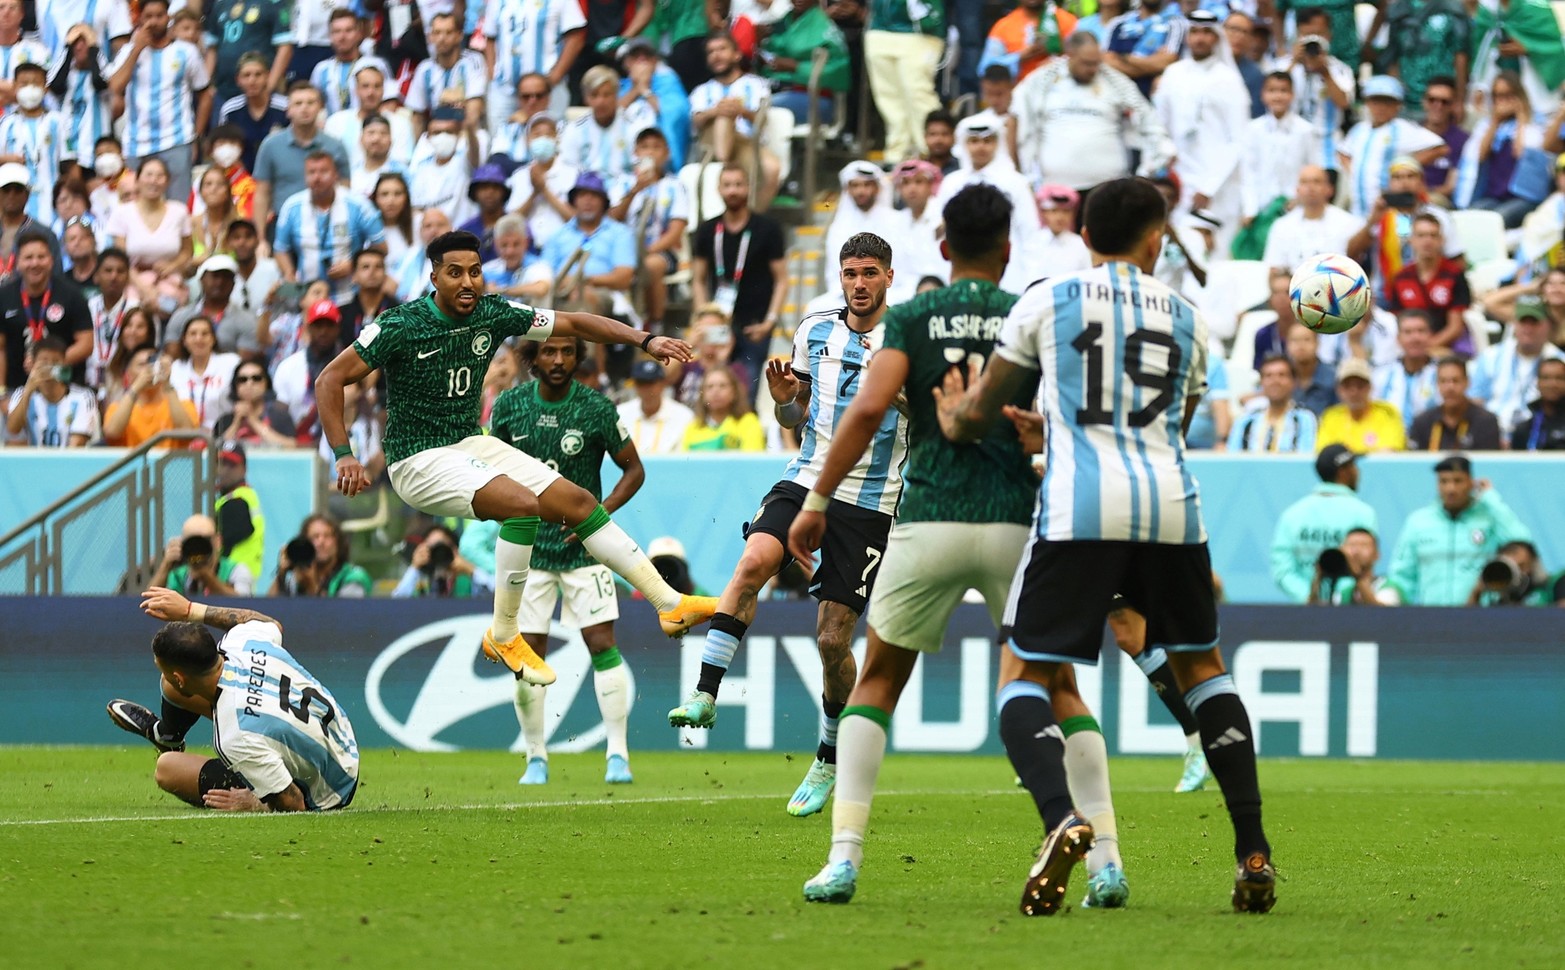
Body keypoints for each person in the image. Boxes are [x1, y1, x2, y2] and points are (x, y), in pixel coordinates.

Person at [929, 176, 1275, 913]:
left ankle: (1062, 819)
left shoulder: (1048, 298)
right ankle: (1251, 848)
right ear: (1155, 240)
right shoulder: (1187, 316)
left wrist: (958, 418)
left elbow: (982, 408)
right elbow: (1168, 425)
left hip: (1078, 507)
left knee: (1025, 672)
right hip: (1172, 507)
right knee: (1204, 668)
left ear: (1082, 236)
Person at [782, 184, 1117, 911]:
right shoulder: (1029, 311)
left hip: (926, 517)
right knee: (1057, 688)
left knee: (875, 682)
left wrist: (814, 502)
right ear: (1006, 248)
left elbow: (869, 408)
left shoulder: (909, 317)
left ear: (940, 248)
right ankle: (1107, 866)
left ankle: (841, 861)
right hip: (1010, 522)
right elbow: (1065, 416)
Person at [317, 229, 717, 682]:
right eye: (454, 273)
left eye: (474, 271)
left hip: (469, 441)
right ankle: (504, 633)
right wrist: (344, 453)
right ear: (434, 277)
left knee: (579, 503)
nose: (467, 282)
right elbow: (329, 379)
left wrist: (645, 340)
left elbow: (578, 323)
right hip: (415, 459)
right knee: (522, 505)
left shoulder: (494, 313)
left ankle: (668, 604)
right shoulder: (400, 325)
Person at [670, 234, 908, 821]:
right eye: (850, 272)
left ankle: (828, 756)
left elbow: (935, 417)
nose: (858, 283)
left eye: (869, 273)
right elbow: (796, 416)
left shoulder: (909, 340)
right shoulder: (814, 326)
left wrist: (905, 400)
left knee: (832, 640)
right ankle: (704, 693)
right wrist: (782, 402)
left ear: (889, 278)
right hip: (806, 478)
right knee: (752, 563)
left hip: (872, 498)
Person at [488, 334, 644, 785]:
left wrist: (599, 514)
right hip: (529, 553)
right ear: (532, 357)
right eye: (548, 352)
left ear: (579, 356)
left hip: (584, 550)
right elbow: (486, 466)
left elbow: (634, 469)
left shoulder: (596, 408)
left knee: (601, 644)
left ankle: (618, 755)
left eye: (568, 352)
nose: (558, 360)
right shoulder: (509, 407)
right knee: (528, 654)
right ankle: (536, 757)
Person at [106, 588, 358, 812]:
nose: (164, 676)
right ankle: (166, 736)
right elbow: (270, 623)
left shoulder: (235, 736)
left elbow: (294, 803)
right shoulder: (241, 642)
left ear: (180, 678)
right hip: (343, 740)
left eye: (163, 670)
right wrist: (191, 610)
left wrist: (256, 803)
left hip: (330, 789)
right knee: (168, 690)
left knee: (167, 768)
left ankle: (167, 744)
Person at [1015, 33, 1173, 192]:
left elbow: (1148, 119)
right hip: (1055, 191)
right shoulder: (1043, 80)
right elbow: (1017, 116)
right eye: (1086, 63)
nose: (1093, 69)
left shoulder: (1116, 81)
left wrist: (1147, 170)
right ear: (1070, 55)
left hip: (1108, 188)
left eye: (1096, 63)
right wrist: (1025, 174)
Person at [1151, 10, 1251, 251]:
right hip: (1178, 178)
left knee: (1215, 251)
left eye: (1207, 32)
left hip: (1218, 182)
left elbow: (1238, 141)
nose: (1200, 38)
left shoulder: (1229, 79)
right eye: (1195, 32)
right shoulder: (1173, 74)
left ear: (1216, 38)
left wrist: (1208, 187)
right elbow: (1158, 124)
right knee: (1176, 249)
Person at [689, 165, 788, 387]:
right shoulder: (707, 230)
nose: (733, 191)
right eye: (727, 185)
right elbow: (698, 278)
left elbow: (782, 279)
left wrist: (769, 322)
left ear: (748, 187)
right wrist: (703, 318)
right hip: (719, 323)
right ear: (718, 189)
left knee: (747, 389)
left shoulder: (768, 228)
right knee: (715, 385)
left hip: (754, 324)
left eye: (738, 184)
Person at [1389, 455, 1531, 605]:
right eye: (1444, 481)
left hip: (1480, 615)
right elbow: (1401, 573)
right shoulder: (1418, 522)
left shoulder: (1488, 519)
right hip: (1430, 615)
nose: (1451, 489)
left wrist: (1491, 498)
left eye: (1458, 481)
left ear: (1471, 483)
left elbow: (1522, 543)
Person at [105, 0, 211, 201]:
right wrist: (136, 49)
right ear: (140, 20)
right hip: (137, 144)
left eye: (159, 16)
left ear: (168, 17)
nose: (153, 22)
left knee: (178, 206)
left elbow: (205, 95)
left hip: (177, 140)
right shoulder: (130, 51)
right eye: (148, 17)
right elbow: (115, 87)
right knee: (137, 208)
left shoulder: (186, 51)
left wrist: (196, 135)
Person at [933, 117, 1041, 294]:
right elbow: (939, 233)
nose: (981, 147)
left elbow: (1030, 234)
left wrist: (1030, 281)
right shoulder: (951, 183)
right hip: (957, 271)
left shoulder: (1016, 182)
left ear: (997, 143)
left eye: (987, 141)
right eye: (974, 141)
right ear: (964, 144)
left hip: (1010, 273)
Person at [273, 151, 388, 304]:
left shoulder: (359, 205)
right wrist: (288, 272)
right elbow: (280, 249)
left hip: (350, 296)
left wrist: (353, 264)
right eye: (311, 172)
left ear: (336, 175)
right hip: (308, 297)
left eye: (324, 171)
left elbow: (381, 247)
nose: (317, 178)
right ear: (305, 177)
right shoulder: (291, 207)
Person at [1269, 443, 1378, 603]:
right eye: (1353, 466)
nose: (1358, 471)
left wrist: (1309, 597)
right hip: (1350, 611)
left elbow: (1282, 571)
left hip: (1305, 616)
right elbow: (1365, 567)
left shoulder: (1292, 514)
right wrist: (1339, 598)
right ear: (1343, 472)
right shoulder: (1364, 513)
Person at [608, 127, 688, 331]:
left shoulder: (675, 185)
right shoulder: (623, 183)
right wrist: (635, 190)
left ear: (666, 153)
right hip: (621, 250)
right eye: (644, 147)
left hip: (659, 251)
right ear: (635, 153)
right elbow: (611, 218)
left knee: (651, 265)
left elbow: (675, 231)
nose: (650, 152)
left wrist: (646, 252)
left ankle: (655, 324)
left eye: (656, 147)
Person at [252, 82, 352, 242]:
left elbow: (345, 189)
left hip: (327, 223)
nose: (304, 108)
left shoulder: (335, 146)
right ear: (288, 110)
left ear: (320, 107)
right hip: (283, 225)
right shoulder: (270, 145)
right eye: (298, 103)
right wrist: (260, 239)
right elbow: (262, 194)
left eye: (311, 103)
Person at [688, 34, 779, 208]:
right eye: (711, 52)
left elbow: (762, 120)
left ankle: (752, 219)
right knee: (724, 114)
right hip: (710, 144)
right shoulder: (701, 90)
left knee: (772, 169)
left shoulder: (756, 84)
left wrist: (742, 111)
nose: (716, 55)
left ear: (736, 55)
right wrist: (716, 111)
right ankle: (726, 164)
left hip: (745, 142)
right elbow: (695, 122)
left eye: (722, 49)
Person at [1338, 77, 1448, 218]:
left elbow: (1440, 148)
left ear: (1398, 105)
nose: (1381, 107)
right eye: (1376, 101)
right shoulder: (1360, 129)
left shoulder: (1402, 128)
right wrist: (1356, 170)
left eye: (1388, 102)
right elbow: (1343, 152)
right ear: (1368, 102)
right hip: (1358, 204)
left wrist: (1405, 165)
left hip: (1389, 203)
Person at [1452, 71, 1548, 229]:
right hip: (1494, 195)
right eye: (1498, 96)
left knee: (1498, 219)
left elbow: (1521, 154)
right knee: (1469, 215)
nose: (1502, 101)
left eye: (1508, 95)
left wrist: (1521, 116)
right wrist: (1495, 121)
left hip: (1522, 197)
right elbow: (1481, 155)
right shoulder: (1487, 125)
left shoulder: (1534, 123)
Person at [0, 229, 92, 391]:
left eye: (41, 257)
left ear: (51, 260)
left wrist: (49, 364)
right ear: (18, 263)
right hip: (15, 389)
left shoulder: (72, 294)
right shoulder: (4, 296)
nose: (35, 263)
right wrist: (1, 393)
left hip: (65, 388)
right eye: (28, 258)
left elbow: (86, 343)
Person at [106, 157, 193, 315]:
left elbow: (187, 251)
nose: (154, 180)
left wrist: (172, 266)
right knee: (134, 313)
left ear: (167, 182)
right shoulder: (122, 213)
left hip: (170, 280)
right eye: (149, 175)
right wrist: (145, 289)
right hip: (133, 282)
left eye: (160, 176)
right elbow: (121, 259)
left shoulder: (179, 211)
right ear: (138, 180)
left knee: (172, 308)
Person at [482, 0, 585, 132]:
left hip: (546, 91)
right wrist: (492, 71)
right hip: (504, 91)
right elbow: (490, 36)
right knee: (501, 142)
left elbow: (575, 38)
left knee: (549, 142)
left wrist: (555, 76)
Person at [862, 0, 945, 163]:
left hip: (919, 30)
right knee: (888, 99)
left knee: (918, 94)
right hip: (879, 29)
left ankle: (932, 153)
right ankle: (897, 155)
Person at [1470, 297, 1565, 429]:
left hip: (1540, 434)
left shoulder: (1560, 361)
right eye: (1523, 322)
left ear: (1548, 324)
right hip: (1492, 432)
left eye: (1534, 323)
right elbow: (1475, 400)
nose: (1528, 329)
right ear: (1514, 324)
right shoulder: (1490, 356)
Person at [1282, 6, 1355, 176]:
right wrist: (1294, 63)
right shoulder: (1283, 66)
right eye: (1307, 35)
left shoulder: (1340, 69)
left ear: (1329, 35)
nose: (1313, 40)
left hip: (1325, 147)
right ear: (1298, 35)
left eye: (1319, 34)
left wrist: (1324, 72)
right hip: (1289, 144)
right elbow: (1273, 96)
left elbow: (1344, 103)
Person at [1239, 73, 1318, 228]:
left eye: (1283, 91)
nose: (1278, 96)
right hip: (1261, 208)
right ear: (1263, 95)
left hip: (1294, 207)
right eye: (1272, 90)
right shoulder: (1253, 129)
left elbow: (1313, 169)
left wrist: (1301, 199)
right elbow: (1249, 172)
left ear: (1292, 95)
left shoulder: (1305, 130)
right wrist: (1250, 209)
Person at [759, 0, 852, 126]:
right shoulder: (782, 23)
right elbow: (768, 56)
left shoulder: (825, 27)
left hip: (814, 97)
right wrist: (758, 42)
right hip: (772, 88)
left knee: (758, 111)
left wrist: (796, 67)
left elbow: (838, 69)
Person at [1262, 166, 1361, 276]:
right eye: (1304, 182)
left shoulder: (1349, 223)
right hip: (1294, 289)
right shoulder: (1281, 226)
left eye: (1316, 182)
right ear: (1297, 190)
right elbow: (1274, 272)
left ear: (1330, 189)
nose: (1310, 187)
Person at [0, 62, 66, 225]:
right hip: (15, 201)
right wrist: (6, 160)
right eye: (24, 84)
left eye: (36, 83)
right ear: (14, 87)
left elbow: (68, 165)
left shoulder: (58, 122)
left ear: (45, 87)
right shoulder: (6, 124)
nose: (30, 88)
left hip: (50, 202)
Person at [1381, 0, 1470, 117]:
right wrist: (1393, 97)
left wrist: (1459, 100)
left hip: (1439, 101)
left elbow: (1461, 56)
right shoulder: (1401, 9)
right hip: (1406, 99)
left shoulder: (1452, 9)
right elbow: (1393, 57)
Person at [3, 335, 96, 446]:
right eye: (44, 362)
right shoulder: (21, 394)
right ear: (32, 364)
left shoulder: (83, 397)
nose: (49, 367)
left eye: (55, 361)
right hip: (35, 461)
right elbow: (13, 429)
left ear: (64, 363)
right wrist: (28, 390)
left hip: (70, 461)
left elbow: (76, 445)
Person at [405, 12, 486, 134]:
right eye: (437, 33)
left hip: (467, 135)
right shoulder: (424, 69)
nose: (442, 38)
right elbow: (417, 117)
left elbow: (473, 114)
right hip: (437, 133)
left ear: (459, 35)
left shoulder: (473, 62)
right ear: (430, 37)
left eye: (448, 33)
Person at [102, 346, 198, 447]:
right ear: (128, 374)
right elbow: (112, 433)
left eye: (153, 363)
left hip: (170, 462)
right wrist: (136, 386)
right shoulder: (116, 408)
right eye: (141, 365)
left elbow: (187, 433)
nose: (149, 369)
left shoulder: (184, 405)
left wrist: (167, 383)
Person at [166, 256, 259, 356]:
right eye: (215, 276)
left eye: (226, 277)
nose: (220, 282)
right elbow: (172, 357)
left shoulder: (246, 320)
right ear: (201, 280)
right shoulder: (181, 316)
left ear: (233, 283)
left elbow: (244, 364)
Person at [215, 53, 290, 175]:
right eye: (246, 75)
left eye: (258, 74)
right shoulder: (230, 110)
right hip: (241, 179)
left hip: (280, 175)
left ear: (267, 76)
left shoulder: (286, 107)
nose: (252, 80)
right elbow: (222, 148)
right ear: (238, 80)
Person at [824, 162, 899, 283]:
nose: (861, 191)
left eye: (867, 185)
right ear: (848, 190)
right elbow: (834, 271)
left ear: (877, 188)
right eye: (855, 185)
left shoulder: (896, 221)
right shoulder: (839, 227)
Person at [149, 512, 253, 597]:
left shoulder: (236, 571)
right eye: (192, 542)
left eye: (203, 541)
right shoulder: (178, 575)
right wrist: (166, 566)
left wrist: (206, 576)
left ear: (218, 541)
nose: (197, 547)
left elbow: (241, 603)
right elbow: (148, 604)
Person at [268, 512, 373, 597]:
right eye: (315, 537)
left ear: (338, 542)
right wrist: (281, 574)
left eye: (327, 536)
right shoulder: (298, 578)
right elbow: (268, 610)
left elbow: (343, 616)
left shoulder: (353, 577)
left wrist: (312, 587)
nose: (321, 542)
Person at [1409, 357, 1503, 451]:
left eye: (1455, 380)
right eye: (1443, 381)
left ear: (1467, 382)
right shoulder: (1422, 423)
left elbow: (1489, 463)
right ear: (1437, 384)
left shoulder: (1486, 422)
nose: (1450, 388)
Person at [1227, 355, 1318, 452]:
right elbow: (1232, 457)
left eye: (1282, 375)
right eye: (1268, 376)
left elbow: (1305, 457)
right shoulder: (1246, 421)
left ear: (1294, 382)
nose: (1275, 381)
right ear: (1261, 382)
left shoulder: (1304, 419)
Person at [1317, 357, 1406, 452]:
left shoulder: (1387, 414)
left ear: (1370, 388)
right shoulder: (1331, 417)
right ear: (1339, 390)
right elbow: (1324, 453)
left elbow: (1390, 451)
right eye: (1348, 386)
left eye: (1360, 386)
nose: (1354, 392)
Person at [167, 316, 240, 430]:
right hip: (186, 435)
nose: (198, 339)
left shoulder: (231, 362)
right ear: (184, 340)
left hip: (224, 433)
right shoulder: (176, 367)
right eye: (193, 334)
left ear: (213, 339)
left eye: (205, 334)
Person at [1103, 0, 1186, 99]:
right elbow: (1106, 61)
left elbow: (1167, 63)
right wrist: (1152, 64)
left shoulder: (1176, 23)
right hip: (1117, 96)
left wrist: (1124, 57)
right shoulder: (1118, 23)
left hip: (1153, 98)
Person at [1372, 310, 1439, 431]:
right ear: (1398, 338)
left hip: (1431, 443)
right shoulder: (1381, 375)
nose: (1415, 338)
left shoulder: (1442, 373)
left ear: (1430, 335)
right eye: (1408, 332)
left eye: (1421, 331)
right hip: (1389, 442)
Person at [980, 0, 1075, 83]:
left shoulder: (1068, 21)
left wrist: (1057, 63)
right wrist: (1019, 57)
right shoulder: (1003, 27)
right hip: (1018, 94)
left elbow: (1083, 58)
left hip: (1060, 90)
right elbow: (984, 69)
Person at [214, 360, 297, 448]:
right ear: (236, 386)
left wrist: (253, 421)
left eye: (256, 378)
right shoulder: (224, 420)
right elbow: (216, 450)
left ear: (266, 383)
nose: (249, 383)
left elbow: (291, 446)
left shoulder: (280, 416)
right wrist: (236, 423)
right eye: (242, 380)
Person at [679, 366, 764, 451]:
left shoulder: (748, 422)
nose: (715, 391)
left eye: (722, 386)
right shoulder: (693, 427)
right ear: (702, 394)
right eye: (710, 387)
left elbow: (752, 461)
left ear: (734, 392)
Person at [1309, 528, 1402, 606]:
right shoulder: (1345, 592)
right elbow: (1312, 617)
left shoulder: (1389, 587)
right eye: (1351, 545)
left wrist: (1358, 576)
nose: (1356, 551)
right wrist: (1318, 578)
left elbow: (1384, 617)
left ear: (1377, 555)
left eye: (1363, 545)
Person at [618, 357, 692, 454]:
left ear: (663, 384)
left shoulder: (683, 416)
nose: (646, 389)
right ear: (635, 385)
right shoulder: (620, 413)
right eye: (641, 383)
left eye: (651, 383)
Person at [1510, 356, 1565, 450]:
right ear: (1538, 383)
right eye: (1546, 378)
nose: (1553, 384)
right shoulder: (1524, 429)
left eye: (1559, 378)